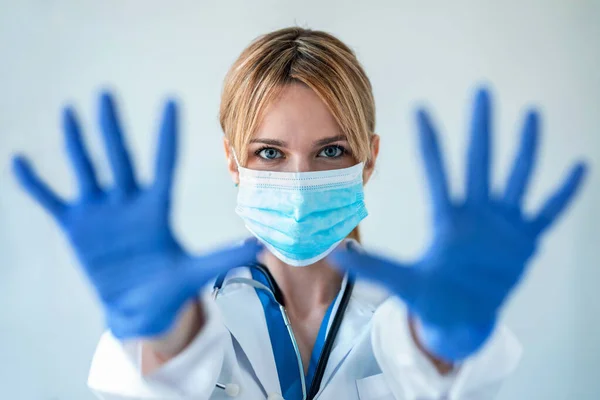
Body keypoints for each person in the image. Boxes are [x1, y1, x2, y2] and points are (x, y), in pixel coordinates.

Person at [12, 27, 588, 400]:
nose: (298, 179)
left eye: (331, 151)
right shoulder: (187, 313)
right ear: (233, 161)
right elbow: (157, 376)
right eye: (269, 152)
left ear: (369, 160)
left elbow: (432, 370)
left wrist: (442, 344)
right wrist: (162, 336)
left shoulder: (416, 316)